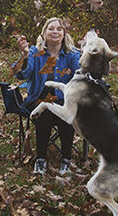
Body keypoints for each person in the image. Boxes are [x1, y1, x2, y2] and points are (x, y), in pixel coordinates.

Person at [14, 17, 81, 175]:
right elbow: (22, 74)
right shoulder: (35, 53)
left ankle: (66, 159)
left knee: (67, 115)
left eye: (59, 29)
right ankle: (40, 159)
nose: (55, 31)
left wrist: (87, 57)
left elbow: (79, 75)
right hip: (38, 100)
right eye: (51, 28)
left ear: (64, 34)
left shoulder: (71, 55)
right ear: (44, 33)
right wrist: (23, 55)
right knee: (44, 113)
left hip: (64, 101)